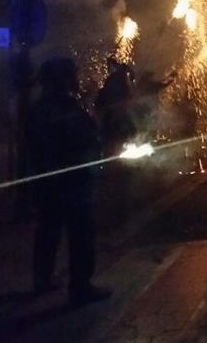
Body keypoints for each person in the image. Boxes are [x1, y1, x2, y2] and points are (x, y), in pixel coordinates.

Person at [28, 57, 111, 306]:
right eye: (73, 74)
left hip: (48, 181)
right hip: (72, 182)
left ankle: (42, 279)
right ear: (64, 78)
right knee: (81, 234)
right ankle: (81, 287)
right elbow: (84, 137)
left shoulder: (39, 106)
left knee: (48, 230)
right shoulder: (67, 107)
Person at [95, 57, 137, 156]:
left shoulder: (115, 77)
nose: (107, 68)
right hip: (117, 107)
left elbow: (129, 72)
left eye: (108, 65)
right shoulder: (114, 78)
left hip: (116, 108)